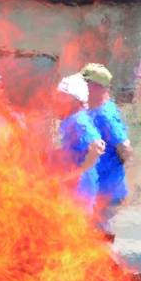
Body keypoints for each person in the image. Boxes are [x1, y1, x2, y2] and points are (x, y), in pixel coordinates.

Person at [81, 63, 132, 238]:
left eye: (85, 83)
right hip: (96, 187)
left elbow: (124, 148)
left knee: (98, 235)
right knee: (93, 234)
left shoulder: (105, 115)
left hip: (105, 188)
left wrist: (112, 169)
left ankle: (109, 265)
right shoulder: (94, 110)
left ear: (96, 87)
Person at [55, 73, 104, 211]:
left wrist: (77, 173)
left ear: (74, 100)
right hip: (73, 184)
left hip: (81, 187)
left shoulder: (79, 121)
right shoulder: (69, 120)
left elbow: (97, 145)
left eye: (62, 96)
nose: (57, 100)